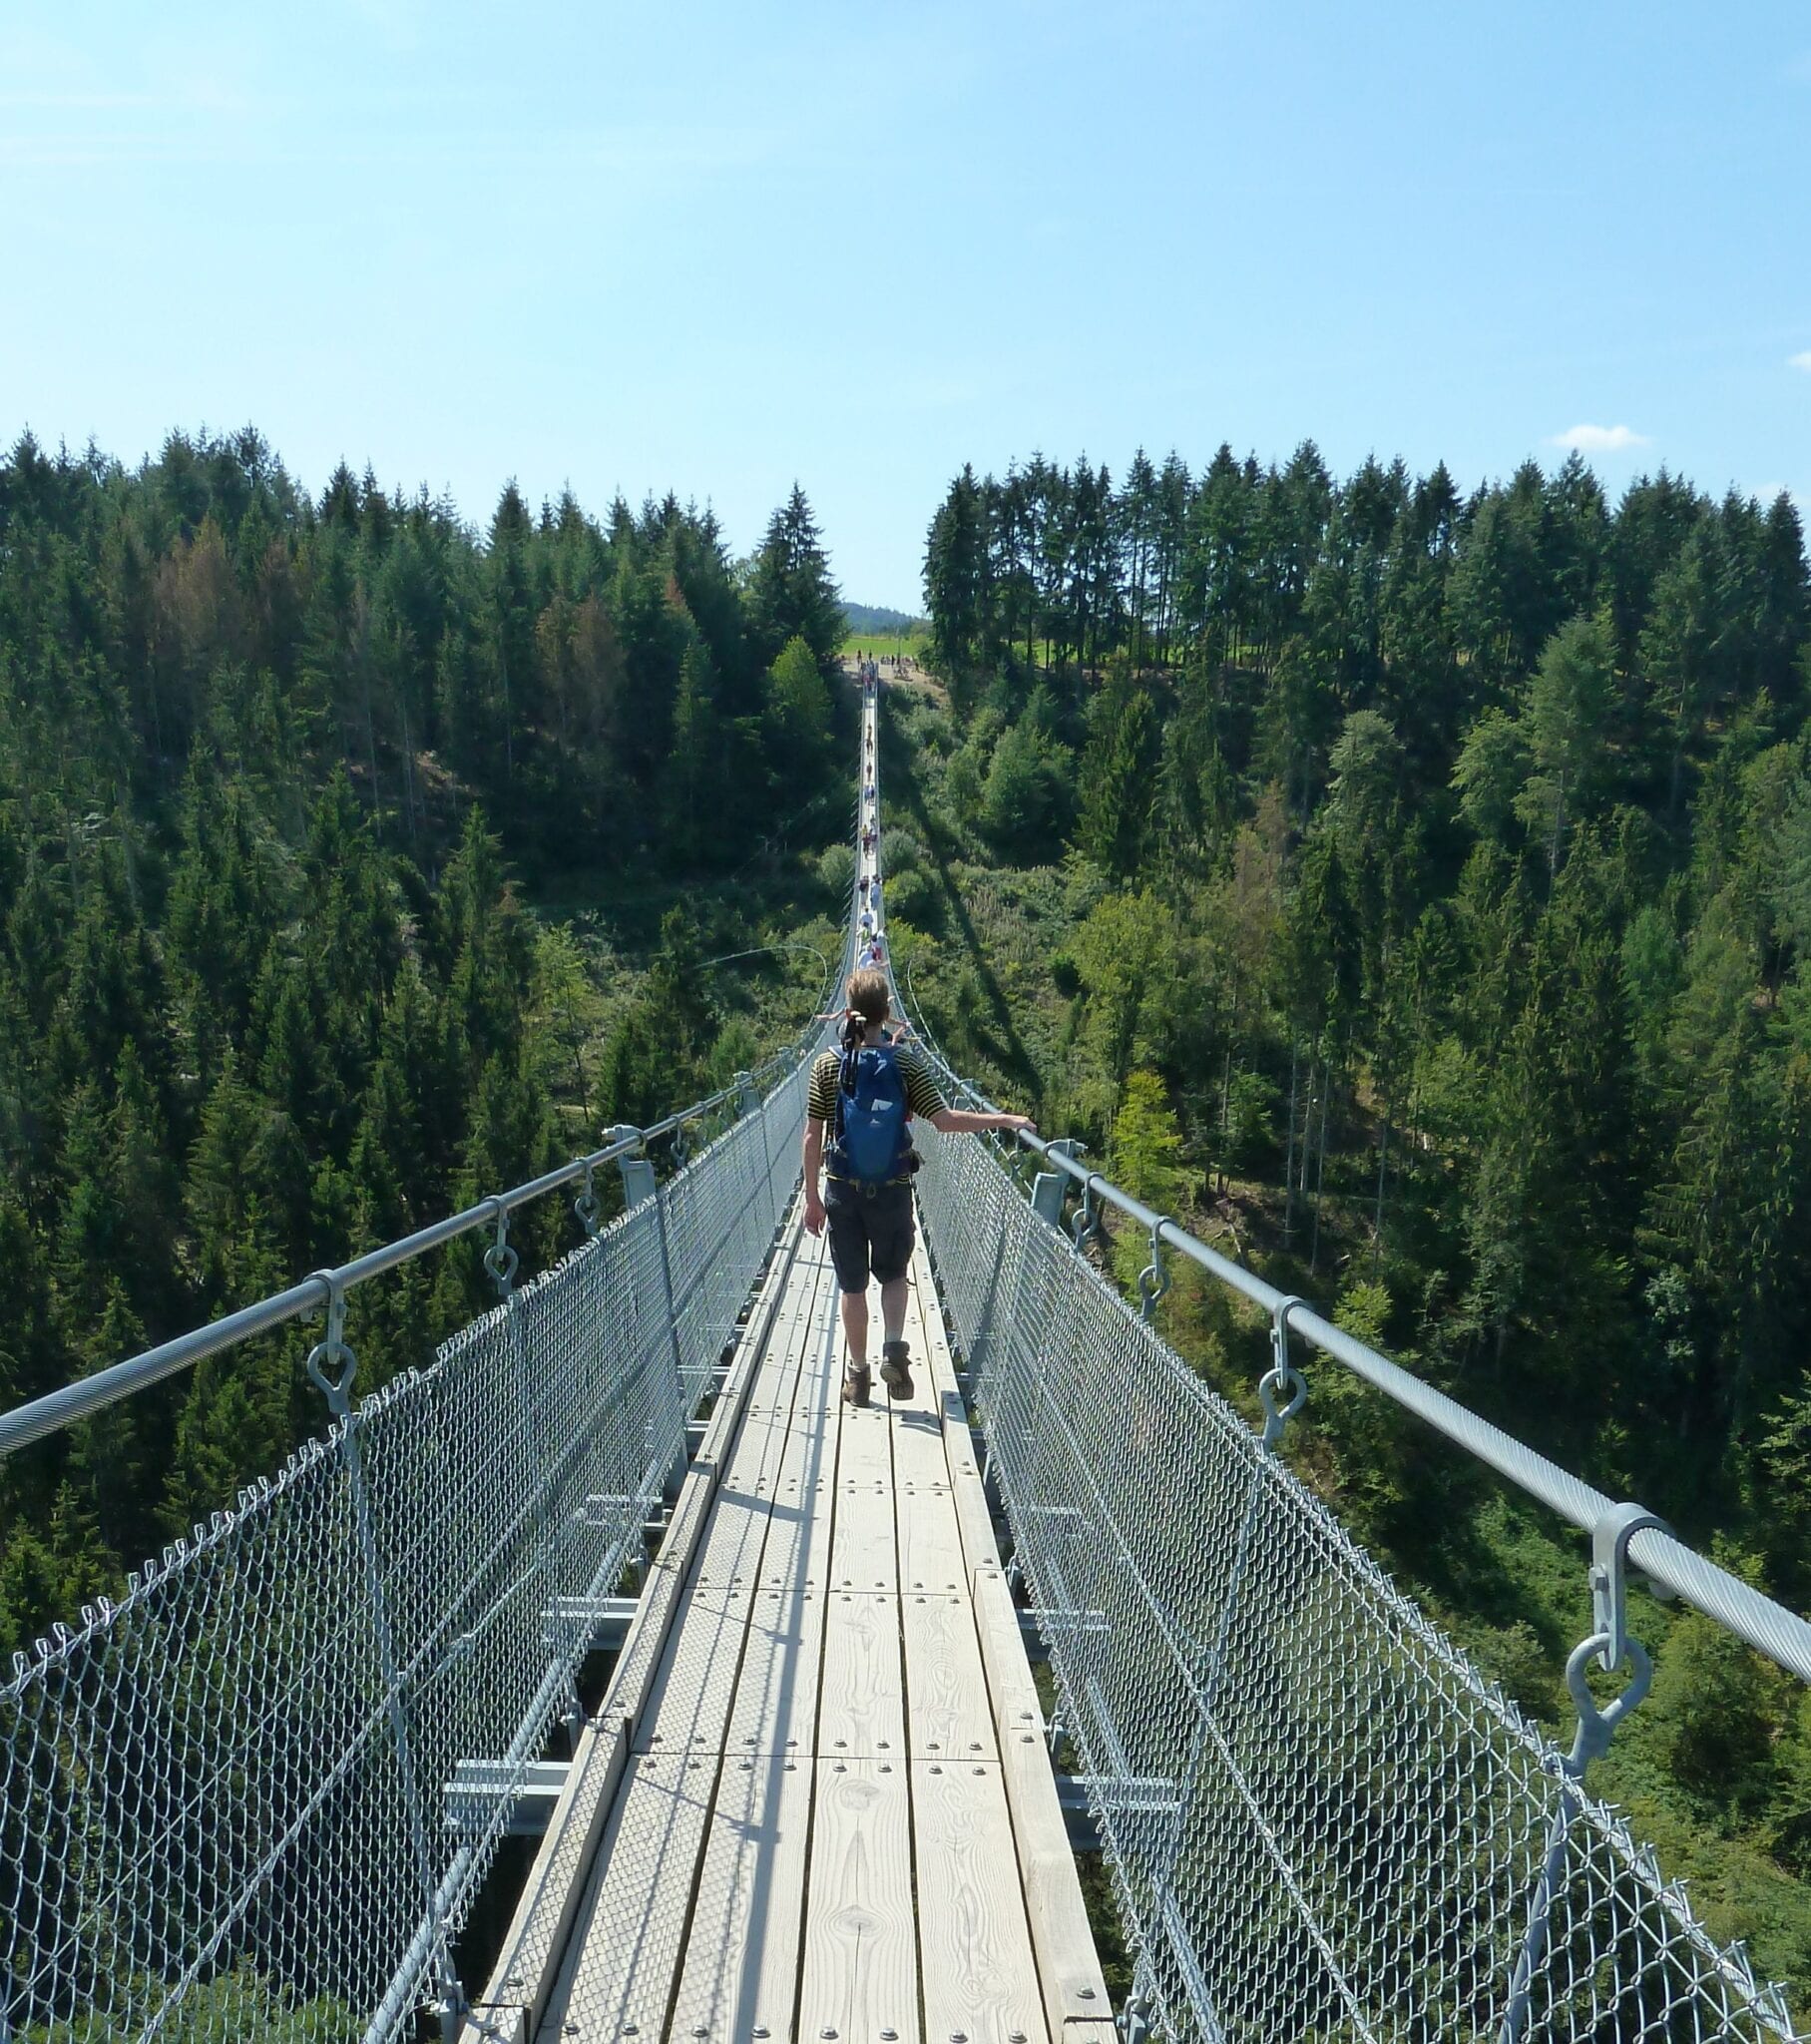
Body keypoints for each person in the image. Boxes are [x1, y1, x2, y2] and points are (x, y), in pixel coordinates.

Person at [803, 967, 1033, 1407]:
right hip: (892, 1187)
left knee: (852, 1288)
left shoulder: (827, 1064)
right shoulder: (904, 1063)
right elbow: (945, 1122)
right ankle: (893, 1346)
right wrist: (1004, 1118)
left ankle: (858, 1375)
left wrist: (813, 1200)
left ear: (848, 1013)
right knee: (893, 1275)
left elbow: (812, 1136)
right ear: (887, 1012)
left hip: (842, 1189)